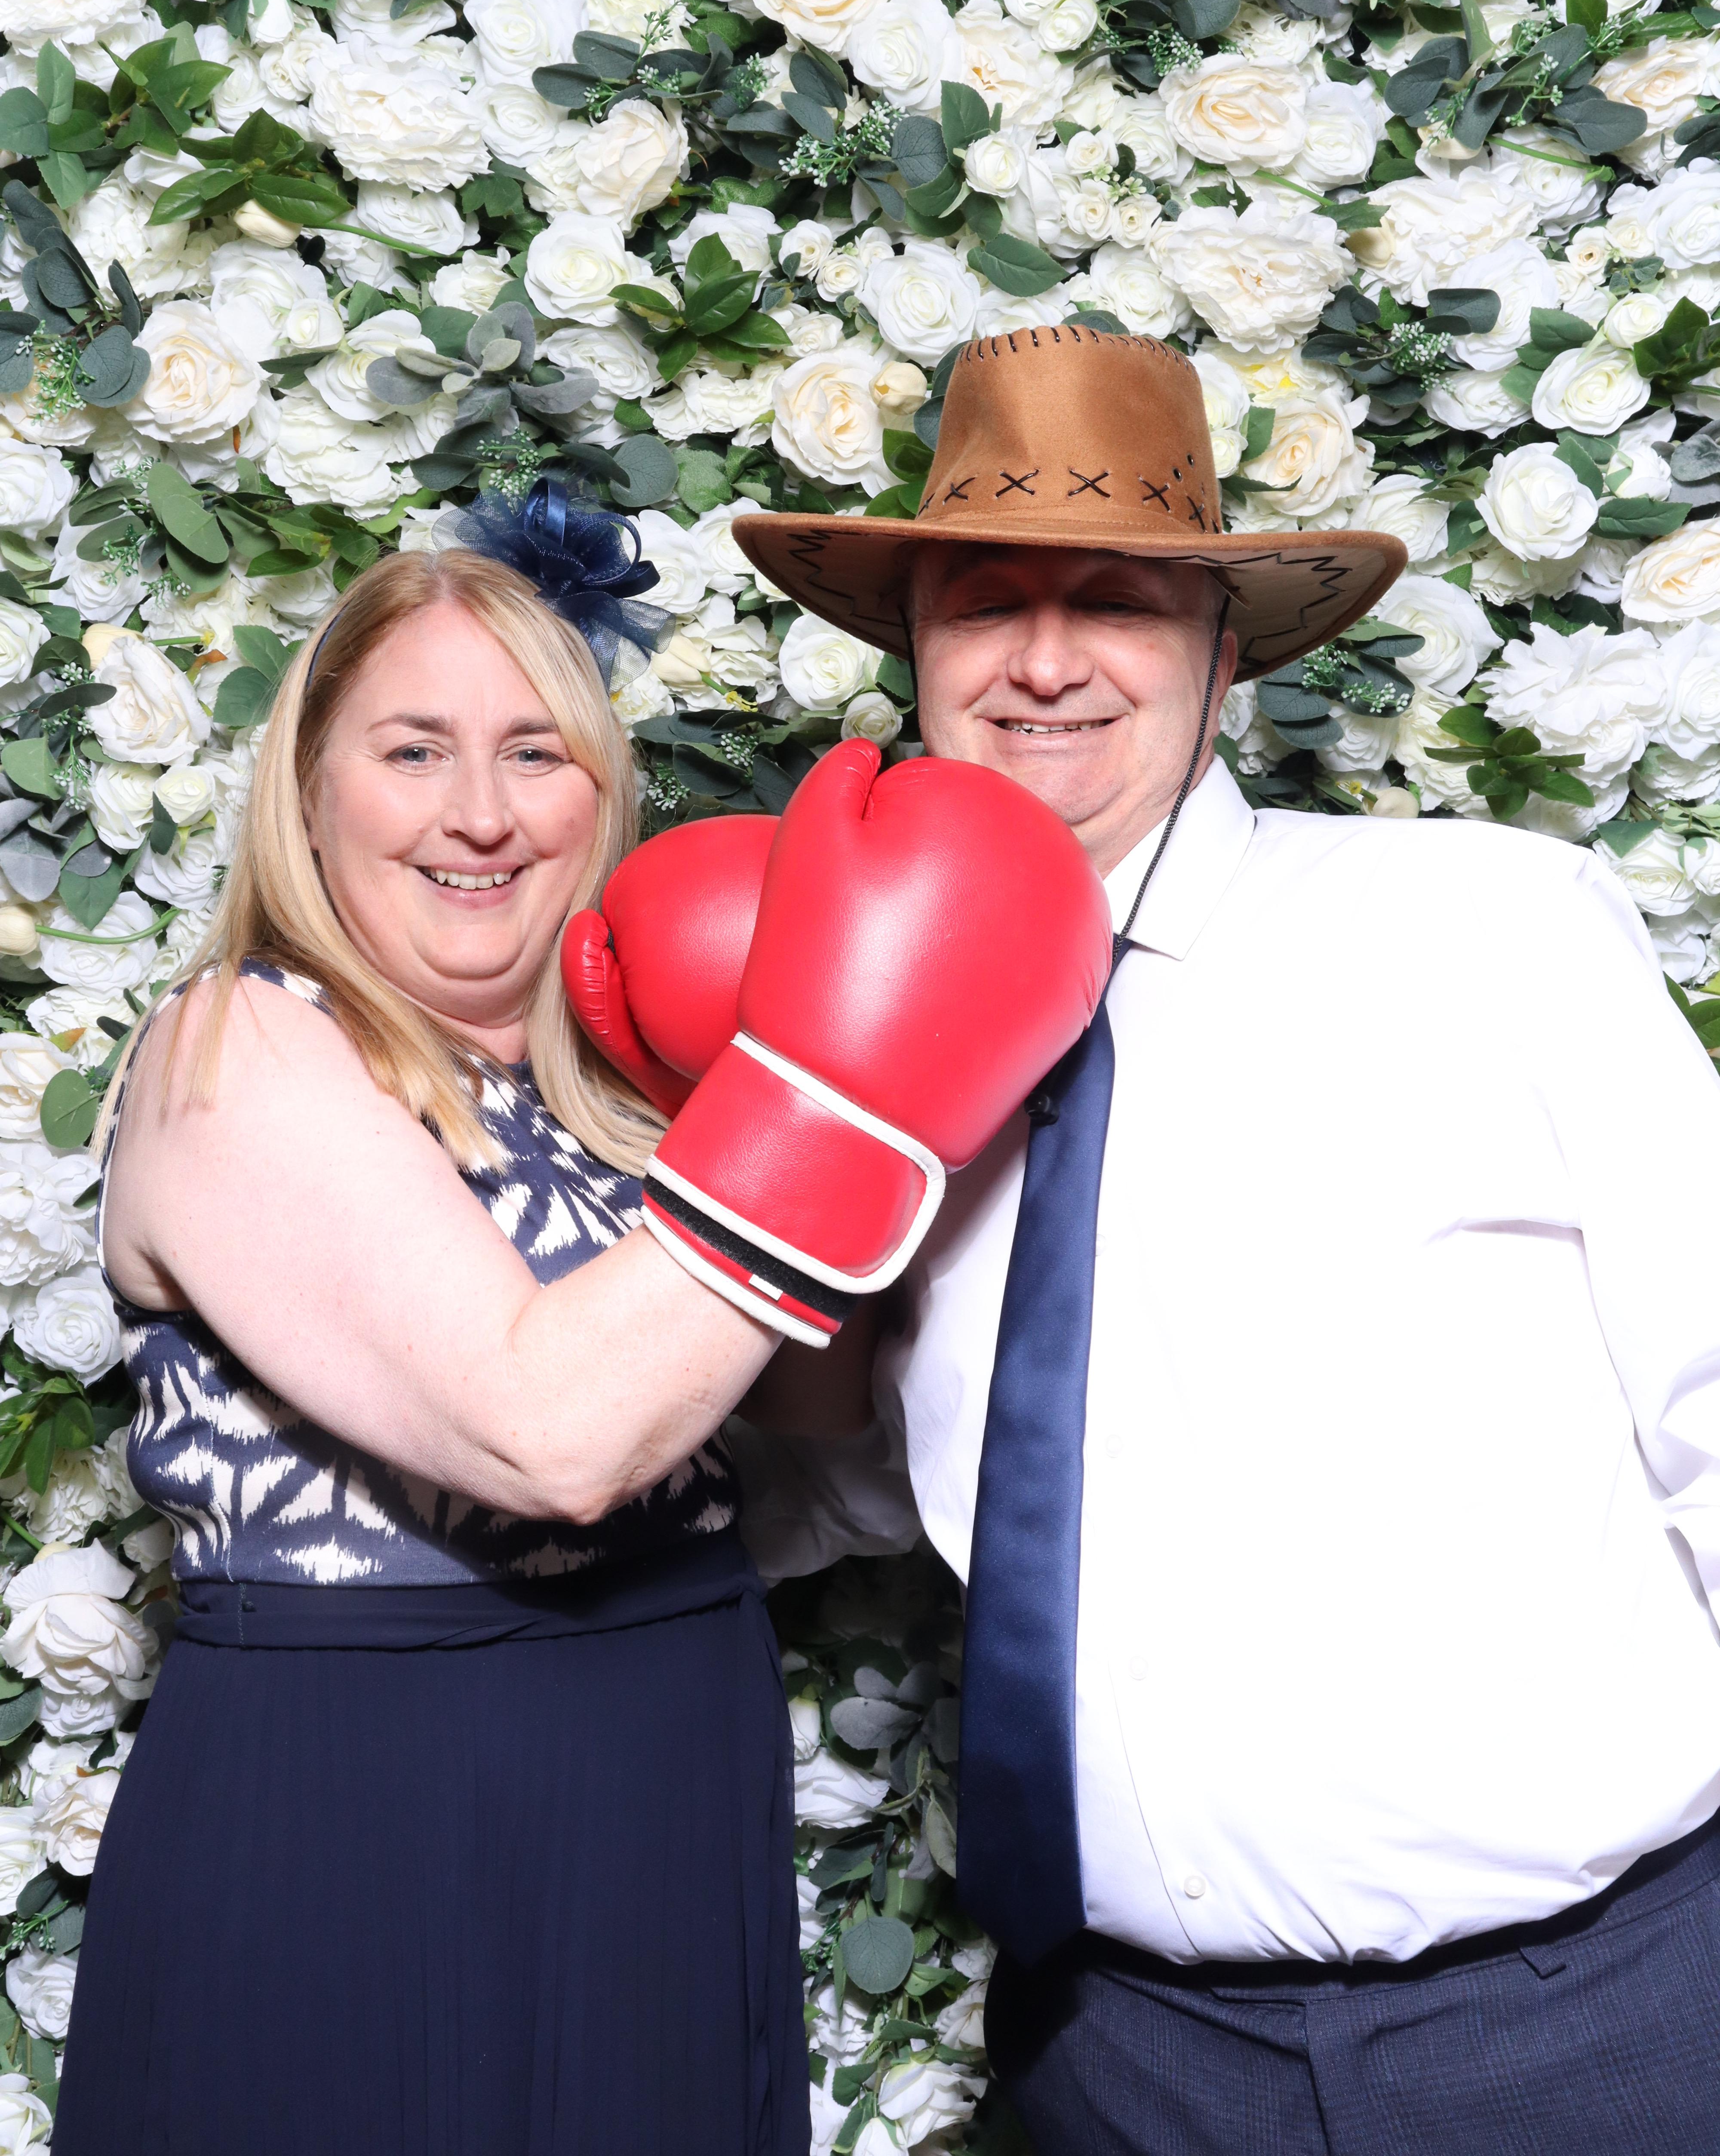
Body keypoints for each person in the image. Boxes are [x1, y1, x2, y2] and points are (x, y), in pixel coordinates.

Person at [728, 326, 1720, 2156]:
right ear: (916, 658)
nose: (1043, 662)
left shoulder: (1494, 931)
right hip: (1120, 2059)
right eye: (982, 606)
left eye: (1113, 601)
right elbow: (854, 1492)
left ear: (1223, 653)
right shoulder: (861, 1035)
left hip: (1595, 2025)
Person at [54, 492, 1109, 2156]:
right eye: (414, 751)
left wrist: (803, 1068)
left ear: (600, 793)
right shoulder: (239, 1048)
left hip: (665, 1764)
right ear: (311, 793)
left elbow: (809, 1426)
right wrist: (832, 1098)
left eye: (535, 754)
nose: (480, 814)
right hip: (372, 1802)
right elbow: (550, 1437)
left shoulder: (620, 1091)